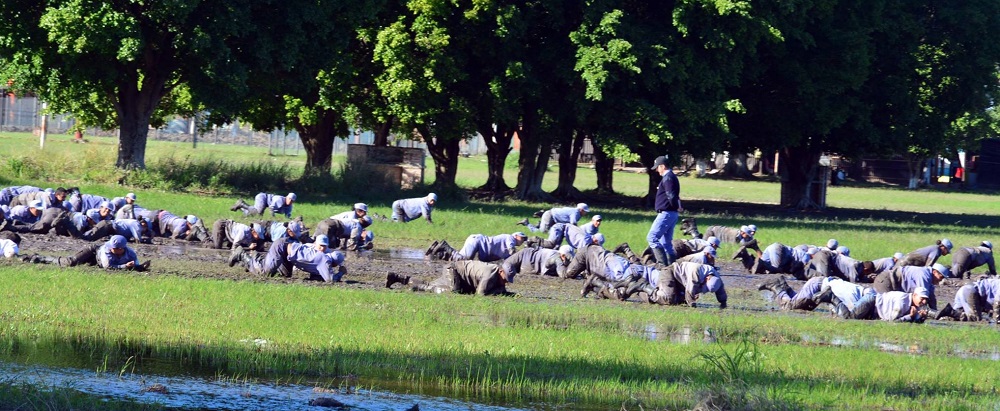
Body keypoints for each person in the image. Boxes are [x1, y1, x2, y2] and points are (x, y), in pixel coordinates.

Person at [22, 235, 150, 271]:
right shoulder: (106, 251)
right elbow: (108, 267)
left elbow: (135, 265)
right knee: (70, 262)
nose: (112, 249)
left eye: (115, 248)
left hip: (98, 262)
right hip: (93, 252)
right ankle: (41, 258)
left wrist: (140, 267)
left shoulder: (131, 253)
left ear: (121, 249)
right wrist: (124, 267)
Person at [385, 260, 513, 296]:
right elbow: (480, 294)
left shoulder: (497, 274)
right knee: (452, 292)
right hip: (454, 270)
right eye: (506, 278)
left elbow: (501, 289)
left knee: (431, 284)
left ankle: (397, 278)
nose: (505, 282)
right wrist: (498, 292)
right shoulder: (490, 273)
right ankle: (418, 287)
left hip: (458, 274)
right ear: (501, 271)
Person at [636, 262, 727, 308]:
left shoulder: (716, 278)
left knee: (678, 301)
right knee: (669, 299)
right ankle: (642, 288)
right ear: (707, 278)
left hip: (681, 282)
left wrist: (723, 302)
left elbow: (721, 291)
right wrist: (692, 305)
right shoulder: (696, 271)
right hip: (670, 273)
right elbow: (690, 292)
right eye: (705, 287)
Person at [229, 222, 303, 277]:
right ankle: (242, 255)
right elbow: (275, 250)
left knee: (286, 274)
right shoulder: (280, 233)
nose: (297, 235)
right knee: (264, 272)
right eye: (295, 233)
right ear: (289, 231)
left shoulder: (291, 235)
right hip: (277, 248)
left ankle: (253, 262)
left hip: (281, 249)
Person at [647, 155, 682, 265]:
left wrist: (676, 205)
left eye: (657, 167)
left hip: (666, 213)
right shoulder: (672, 177)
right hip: (672, 214)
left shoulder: (667, 178)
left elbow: (671, 195)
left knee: (652, 238)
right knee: (666, 242)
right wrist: (678, 206)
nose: (657, 170)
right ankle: (672, 266)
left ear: (662, 166)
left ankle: (662, 265)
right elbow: (676, 196)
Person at [871, 263, 948, 310]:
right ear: (934, 272)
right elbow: (922, 295)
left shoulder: (929, 279)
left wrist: (935, 311)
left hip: (895, 284)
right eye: (940, 277)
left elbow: (931, 297)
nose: (940, 281)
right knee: (883, 305)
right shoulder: (924, 275)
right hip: (886, 280)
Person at [428, 232, 526, 262]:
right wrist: (520, 256)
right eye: (522, 238)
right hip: (478, 241)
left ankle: (437, 251)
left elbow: (510, 261)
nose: (523, 241)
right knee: (464, 260)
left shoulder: (506, 252)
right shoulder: (510, 238)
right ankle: (444, 246)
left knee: (459, 259)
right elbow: (512, 250)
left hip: (476, 241)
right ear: (516, 236)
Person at [846, 288, 930, 323]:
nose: (924, 301)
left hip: (875, 311)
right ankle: (834, 299)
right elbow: (892, 321)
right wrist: (911, 316)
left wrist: (920, 318)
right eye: (922, 298)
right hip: (871, 303)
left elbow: (908, 322)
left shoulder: (915, 304)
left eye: (926, 299)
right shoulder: (902, 302)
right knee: (850, 318)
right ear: (914, 295)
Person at [501, 245, 575, 278]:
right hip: (527, 255)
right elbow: (563, 275)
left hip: (534, 266)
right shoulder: (555, 257)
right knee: (507, 264)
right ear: (562, 255)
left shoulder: (564, 258)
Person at [751, 243, 817, 280]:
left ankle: (746, 256)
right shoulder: (807, 256)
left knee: (762, 261)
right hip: (779, 251)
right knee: (777, 269)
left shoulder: (798, 251)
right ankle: (762, 264)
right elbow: (803, 268)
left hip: (774, 246)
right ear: (813, 255)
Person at [756, 276, 824, 311]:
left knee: (802, 306)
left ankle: (783, 286)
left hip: (818, 283)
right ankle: (776, 287)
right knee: (790, 306)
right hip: (817, 284)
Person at [524, 221, 596, 250]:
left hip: (562, 231)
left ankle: (533, 246)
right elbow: (581, 252)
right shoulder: (585, 239)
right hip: (560, 228)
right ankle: (532, 239)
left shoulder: (587, 237)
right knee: (550, 244)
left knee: (555, 249)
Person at [518, 203, 589, 233]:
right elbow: (573, 224)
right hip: (550, 216)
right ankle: (526, 223)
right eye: (585, 211)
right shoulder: (576, 212)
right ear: (581, 210)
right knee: (542, 232)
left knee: (552, 233)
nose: (586, 213)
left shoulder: (577, 213)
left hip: (554, 219)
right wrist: (579, 231)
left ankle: (540, 224)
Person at [231, 192, 296, 218]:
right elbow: (271, 209)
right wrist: (273, 219)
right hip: (263, 198)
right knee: (257, 213)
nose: (290, 201)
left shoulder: (289, 207)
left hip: (265, 203)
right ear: (287, 197)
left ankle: (242, 208)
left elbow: (287, 217)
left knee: (255, 216)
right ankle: (241, 204)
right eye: (289, 199)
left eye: (292, 200)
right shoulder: (280, 200)